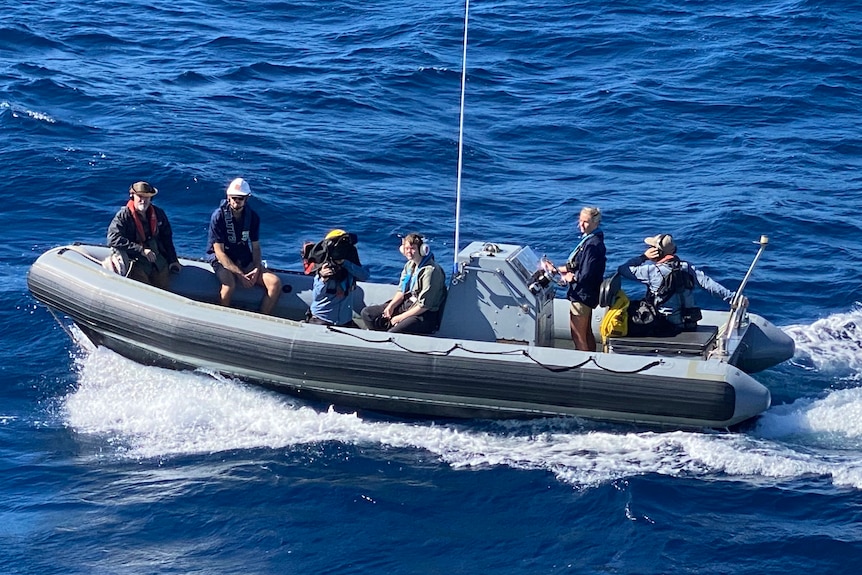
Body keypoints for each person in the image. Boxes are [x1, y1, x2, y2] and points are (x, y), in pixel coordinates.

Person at [617, 233, 746, 334]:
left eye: (651, 248)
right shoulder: (686, 267)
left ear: (657, 252)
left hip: (665, 325)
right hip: (690, 323)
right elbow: (709, 284)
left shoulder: (651, 271)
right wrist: (733, 298)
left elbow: (623, 269)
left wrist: (643, 257)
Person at [206, 177, 282, 314]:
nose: (236, 201)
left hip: (242, 256)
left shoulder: (252, 217)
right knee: (229, 285)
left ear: (246, 198)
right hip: (221, 259)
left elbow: (256, 247)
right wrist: (240, 274)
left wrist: (256, 269)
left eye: (240, 198)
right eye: (234, 198)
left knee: (275, 283)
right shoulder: (218, 217)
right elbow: (219, 252)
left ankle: (262, 318)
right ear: (228, 197)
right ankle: (222, 316)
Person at [360, 233, 446, 334]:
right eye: (406, 248)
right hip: (407, 304)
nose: (409, 252)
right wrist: (391, 307)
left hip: (424, 314)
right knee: (368, 314)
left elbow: (424, 306)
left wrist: (400, 318)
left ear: (422, 249)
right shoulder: (409, 265)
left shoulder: (431, 271)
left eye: (412, 248)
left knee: (393, 333)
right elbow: (401, 291)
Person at [548, 206, 606, 352]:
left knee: (578, 336)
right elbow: (578, 265)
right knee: (586, 333)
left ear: (595, 223)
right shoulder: (591, 240)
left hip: (582, 295)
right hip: (587, 293)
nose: (580, 225)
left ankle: (585, 365)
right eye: (580, 221)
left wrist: (570, 278)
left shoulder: (592, 245)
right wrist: (558, 270)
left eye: (585, 222)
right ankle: (592, 357)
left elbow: (585, 274)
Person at [107, 180, 181, 289]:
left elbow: (167, 239)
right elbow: (113, 239)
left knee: (163, 285)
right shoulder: (123, 216)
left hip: (157, 260)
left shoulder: (159, 214)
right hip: (135, 259)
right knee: (143, 286)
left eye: (147, 197)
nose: (143, 200)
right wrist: (141, 250)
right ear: (133, 197)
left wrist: (173, 260)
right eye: (140, 197)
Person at [307, 229, 370, 327]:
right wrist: (323, 278)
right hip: (322, 319)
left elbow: (364, 276)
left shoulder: (350, 268)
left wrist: (345, 263)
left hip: (345, 320)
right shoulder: (323, 267)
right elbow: (317, 296)